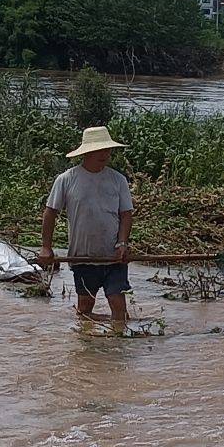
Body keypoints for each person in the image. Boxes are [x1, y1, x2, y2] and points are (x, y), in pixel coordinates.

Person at [40, 125, 136, 329]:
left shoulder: (118, 180)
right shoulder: (66, 180)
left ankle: (118, 345)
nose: (105, 155)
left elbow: (126, 215)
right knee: (85, 307)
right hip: (82, 256)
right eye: (99, 151)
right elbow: (50, 213)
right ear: (87, 153)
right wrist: (46, 247)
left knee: (118, 305)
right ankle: (88, 349)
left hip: (113, 256)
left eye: (107, 150)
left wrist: (122, 243)